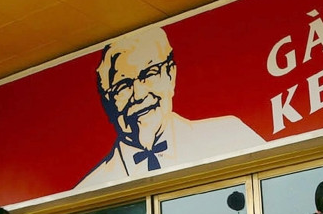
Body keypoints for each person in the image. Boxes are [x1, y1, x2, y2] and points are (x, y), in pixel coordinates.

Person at [77, 27, 264, 188]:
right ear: (108, 102)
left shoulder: (231, 136)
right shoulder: (90, 187)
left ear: (171, 76)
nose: (139, 94)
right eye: (123, 86)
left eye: (149, 74)